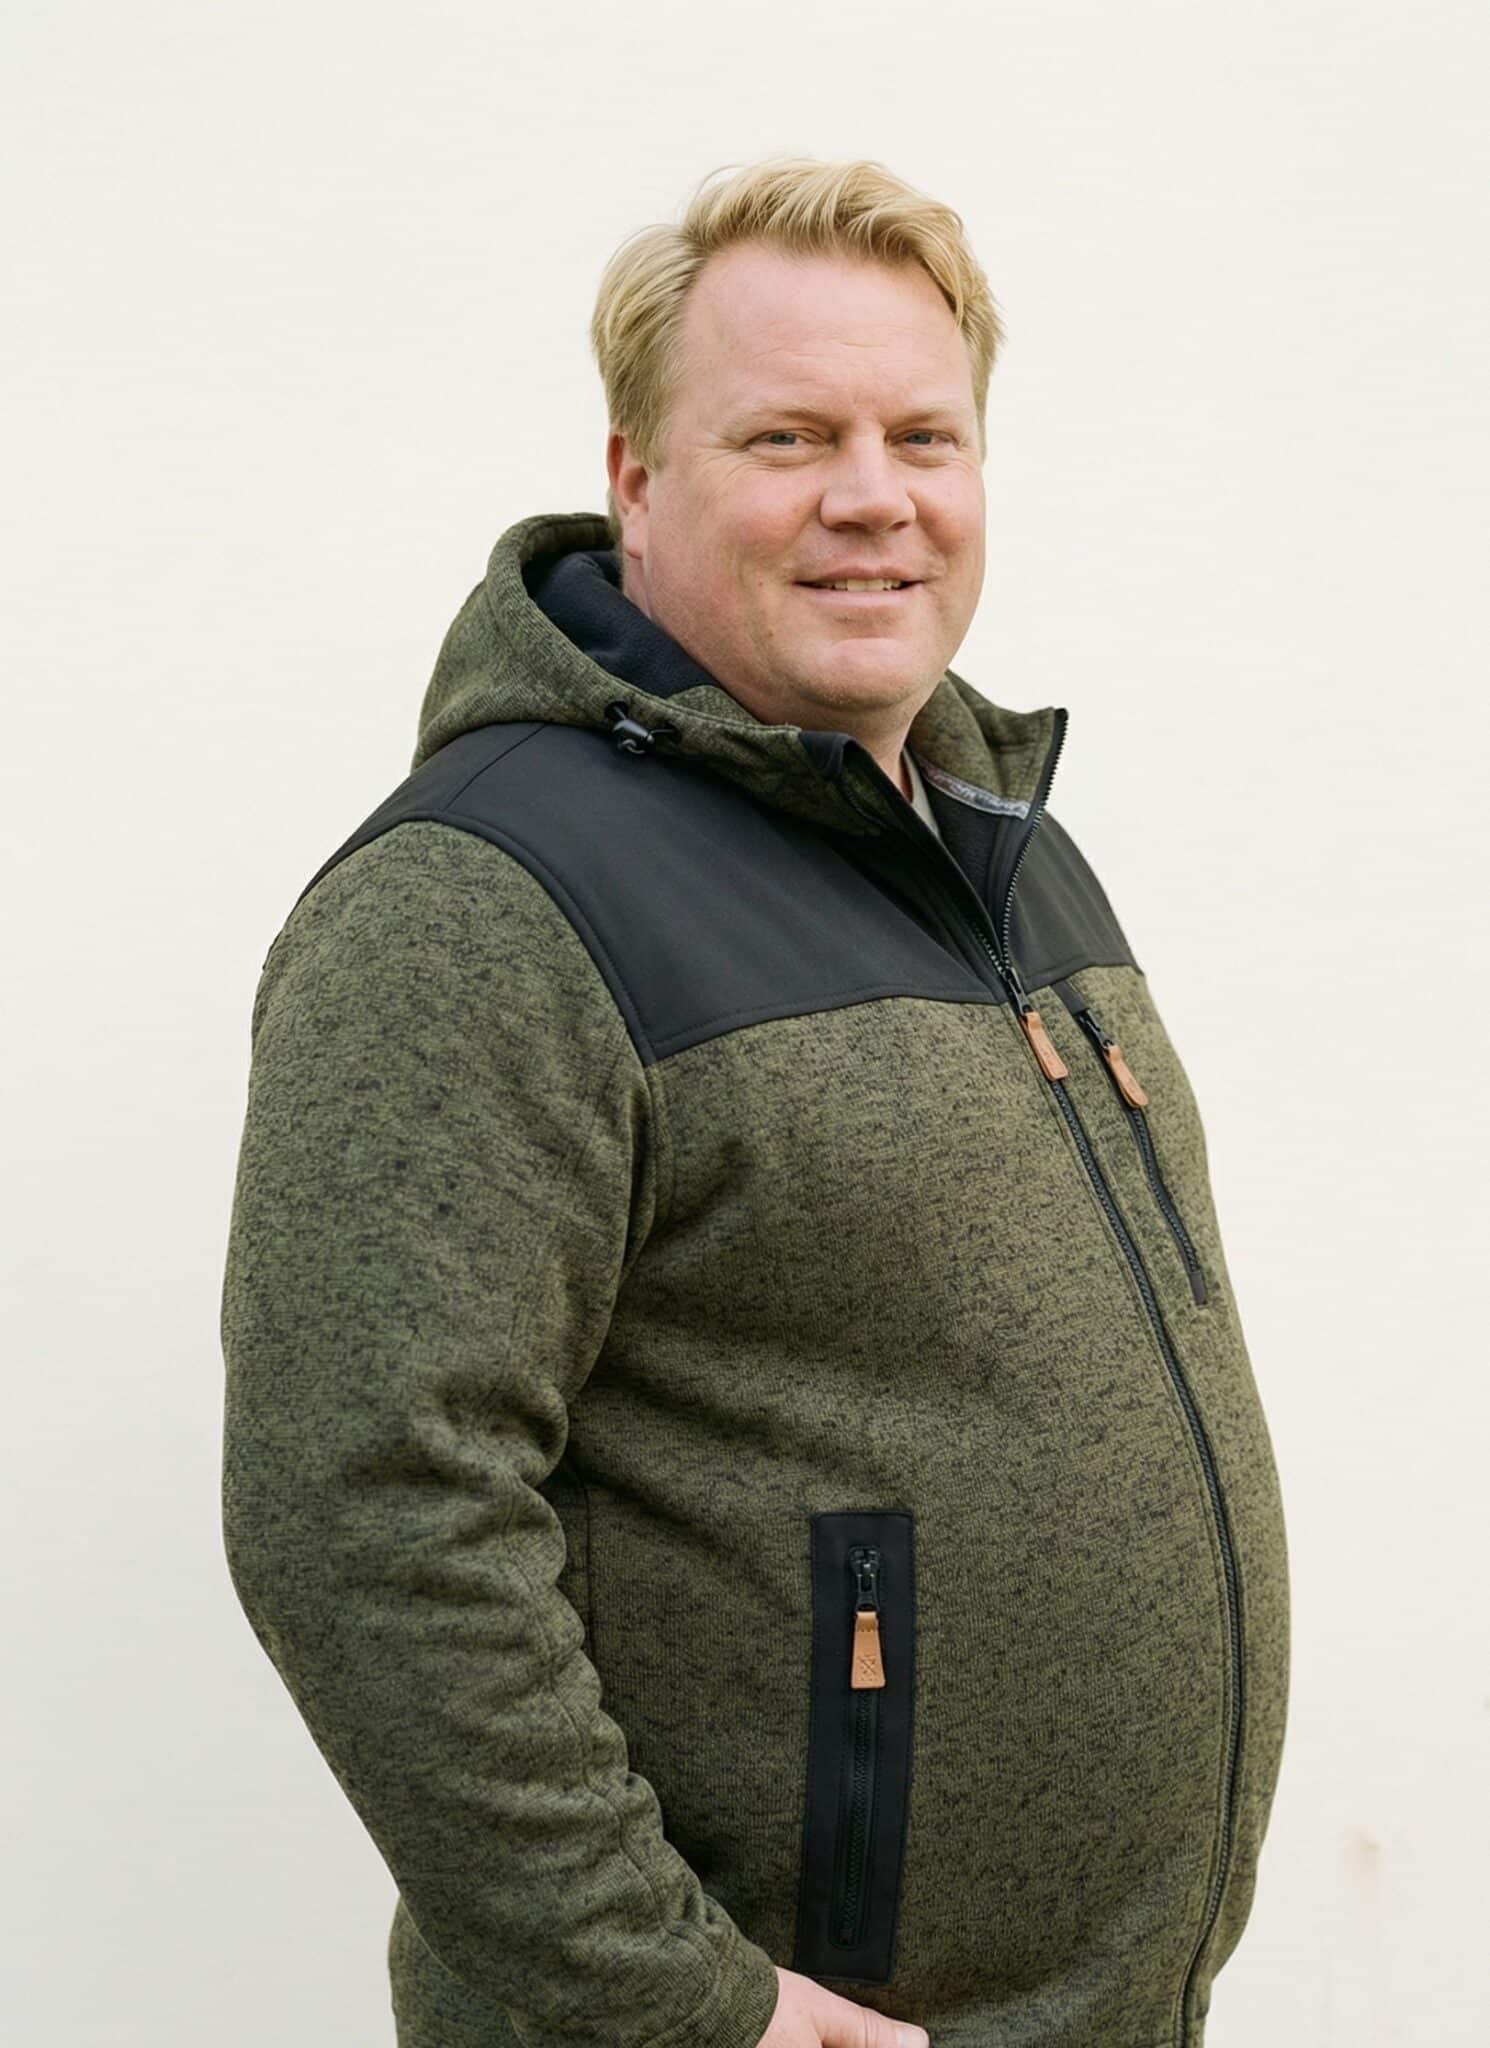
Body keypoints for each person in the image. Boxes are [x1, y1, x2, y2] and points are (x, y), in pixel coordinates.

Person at [220, 154, 1290, 2048]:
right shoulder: (482, 902)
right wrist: (680, 2001)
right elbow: (368, 1510)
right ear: (636, 480)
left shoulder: (991, 840)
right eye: (788, 437)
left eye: (921, 437)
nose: (872, 496)